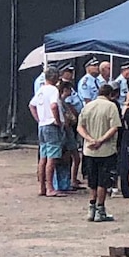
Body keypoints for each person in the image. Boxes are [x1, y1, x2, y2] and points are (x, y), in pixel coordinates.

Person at [77, 84, 121, 222]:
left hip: (89, 149)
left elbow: (80, 127)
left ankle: (91, 207)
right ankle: (100, 208)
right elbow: (114, 127)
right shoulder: (111, 106)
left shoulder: (87, 106)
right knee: (103, 180)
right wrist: (101, 140)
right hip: (106, 150)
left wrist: (89, 139)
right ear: (110, 94)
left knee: (92, 180)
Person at [29, 66, 65, 197]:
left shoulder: (41, 90)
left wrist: (39, 119)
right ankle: (50, 187)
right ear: (55, 77)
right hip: (51, 125)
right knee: (52, 157)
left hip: (42, 126)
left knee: (43, 157)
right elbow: (54, 105)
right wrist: (57, 120)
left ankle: (42, 187)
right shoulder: (53, 90)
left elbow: (31, 105)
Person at [59, 64, 84, 189]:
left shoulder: (70, 89)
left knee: (73, 155)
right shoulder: (62, 101)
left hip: (71, 128)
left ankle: (71, 179)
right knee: (68, 156)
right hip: (67, 131)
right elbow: (67, 114)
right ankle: (68, 180)